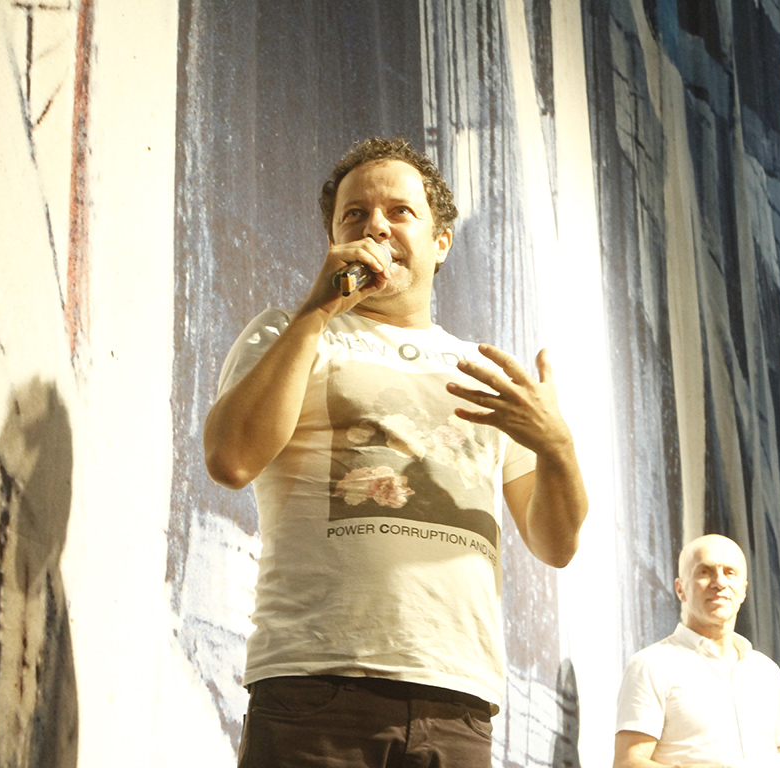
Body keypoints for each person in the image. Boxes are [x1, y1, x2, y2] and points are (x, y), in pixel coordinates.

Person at [204, 136, 589, 767]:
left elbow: (555, 543)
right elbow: (231, 460)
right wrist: (317, 310)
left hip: (457, 698)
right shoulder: (290, 333)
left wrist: (558, 445)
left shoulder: (486, 373)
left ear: (441, 243)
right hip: (314, 682)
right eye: (354, 214)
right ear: (333, 236)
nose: (375, 226)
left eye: (399, 211)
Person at [613, 534, 780, 768]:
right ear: (680, 588)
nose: (719, 582)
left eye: (730, 572)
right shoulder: (651, 665)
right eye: (705, 572)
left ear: (743, 590)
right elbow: (627, 763)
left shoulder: (766, 671)